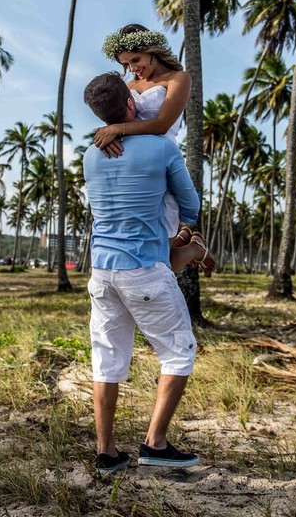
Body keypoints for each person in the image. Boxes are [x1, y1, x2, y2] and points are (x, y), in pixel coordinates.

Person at [82, 71, 214, 474]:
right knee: (179, 351)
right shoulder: (161, 147)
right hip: (144, 272)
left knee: (107, 360)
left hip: (101, 273)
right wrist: (185, 233)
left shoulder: (90, 155)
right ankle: (155, 444)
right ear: (130, 104)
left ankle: (107, 453)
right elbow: (190, 207)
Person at [94, 24, 214, 275]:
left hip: (162, 163)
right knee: (143, 245)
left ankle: (193, 248)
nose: (132, 68)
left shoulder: (178, 79)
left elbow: (162, 124)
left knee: (161, 258)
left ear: (151, 51)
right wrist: (109, 135)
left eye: (135, 60)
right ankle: (186, 240)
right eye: (126, 64)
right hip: (133, 168)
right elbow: (118, 115)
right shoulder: (129, 85)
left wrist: (118, 129)